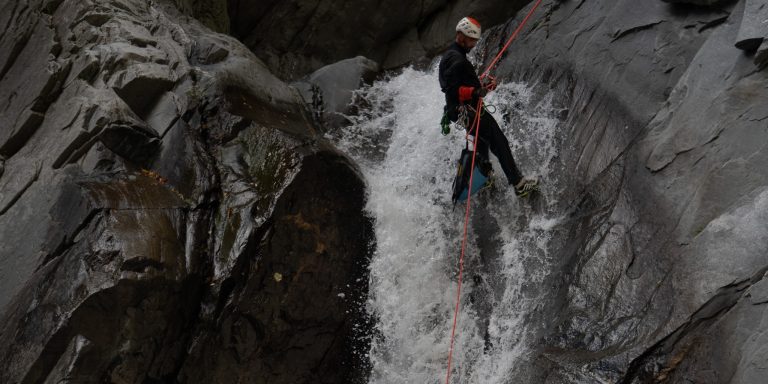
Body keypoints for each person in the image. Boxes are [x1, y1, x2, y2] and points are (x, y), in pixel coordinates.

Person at [439, 16, 539, 197]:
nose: (473, 45)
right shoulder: (458, 60)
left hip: (460, 111)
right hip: (468, 111)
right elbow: (451, 89)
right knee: (499, 141)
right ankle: (518, 184)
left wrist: (481, 86)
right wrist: (476, 92)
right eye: (471, 40)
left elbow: (456, 82)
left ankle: (485, 176)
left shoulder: (450, 55)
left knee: (480, 140)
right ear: (462, 36)